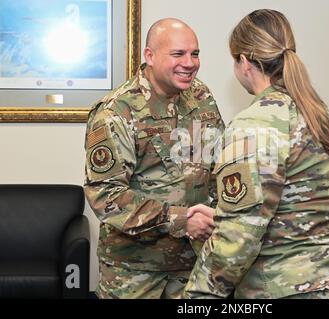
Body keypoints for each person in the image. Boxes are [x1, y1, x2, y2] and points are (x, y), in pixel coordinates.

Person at [184, 9, 329, 299]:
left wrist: (196, 297)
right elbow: (298, 201)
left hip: (289, 287)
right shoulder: (321, 113)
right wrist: (223, 215)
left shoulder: (253, 125)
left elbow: (239, 237)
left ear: (244, 62)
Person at [84, 18, 225, 299]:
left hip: (193, 265)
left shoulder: (202, 96)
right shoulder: (117, 111)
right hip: (134, 271)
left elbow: (218, 165)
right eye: (178, 54)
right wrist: (180, 219)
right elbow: (106, 195)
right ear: (149, 56)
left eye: (194, 54)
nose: (190, 63)